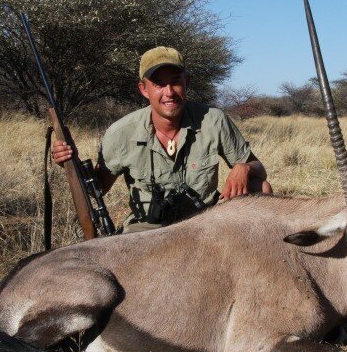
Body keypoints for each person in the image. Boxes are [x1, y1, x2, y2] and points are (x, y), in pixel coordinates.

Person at [52, 46, 272, 233]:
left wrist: (243, 167)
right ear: (144, 89)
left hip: (205, 220)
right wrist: (71, 164)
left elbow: (259, 170)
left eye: (175, 81)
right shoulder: (121, 132)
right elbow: (97, 188)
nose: (169, 92)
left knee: (260, 187)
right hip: (149, 230)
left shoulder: (214, 120)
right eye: (158, 83)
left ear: (186, 82)